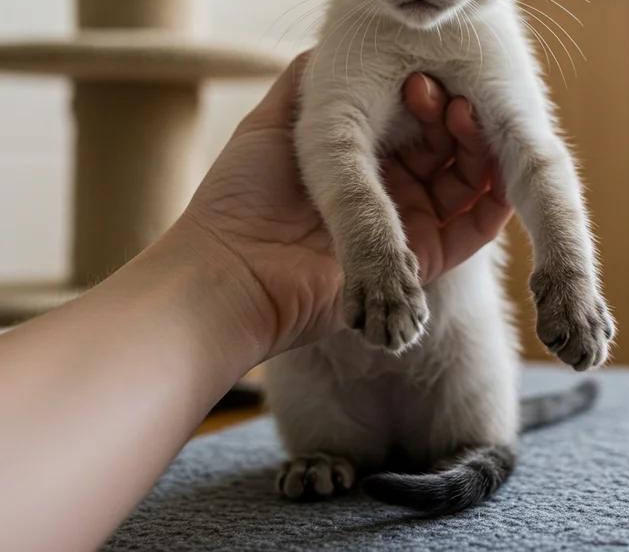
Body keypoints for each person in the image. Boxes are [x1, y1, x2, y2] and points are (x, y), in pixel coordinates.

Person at [0, 54, 513, 552]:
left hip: (447, 359)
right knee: (309, 379)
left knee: (473, 335)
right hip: (332, 351)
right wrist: (238, 268)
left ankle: (478, 444)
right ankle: (326, 452)